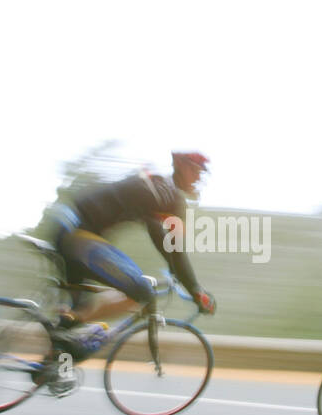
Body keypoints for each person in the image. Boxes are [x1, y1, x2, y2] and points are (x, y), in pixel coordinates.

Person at [42, 151, 217, 358]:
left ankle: (49, 367)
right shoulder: (169, 196)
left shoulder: (157, 185)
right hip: (79, 236)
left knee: (76, 316)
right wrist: (198, 293)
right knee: (141, 290)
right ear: (184, 167)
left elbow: (162, 240)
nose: (199, 179)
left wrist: (175, 270)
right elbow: (175, 249)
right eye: (197, 172)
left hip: (65, 227)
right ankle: (67, 326)